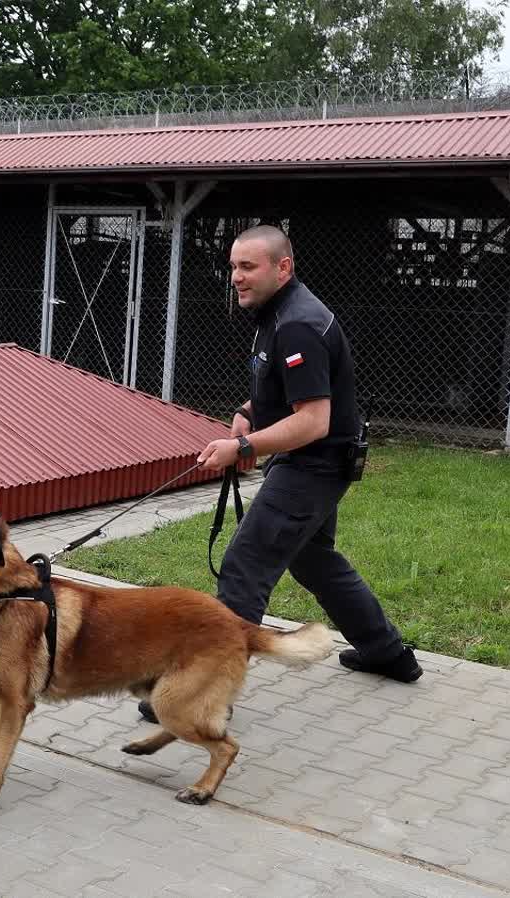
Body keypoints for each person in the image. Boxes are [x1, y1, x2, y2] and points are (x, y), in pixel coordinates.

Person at [142, 225, 421, 722]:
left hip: (312, 465)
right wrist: (249, 412)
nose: (236, 277)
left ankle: (198, 694)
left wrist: (243, 446)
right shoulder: (280, 313)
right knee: (315, 563)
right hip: (317, 462)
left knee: (244, 570)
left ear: (282, 268)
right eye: (233, 267)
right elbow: (287, 389)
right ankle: (387, 655)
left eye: (248, 267)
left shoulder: (296, 325)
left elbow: (315, 419)